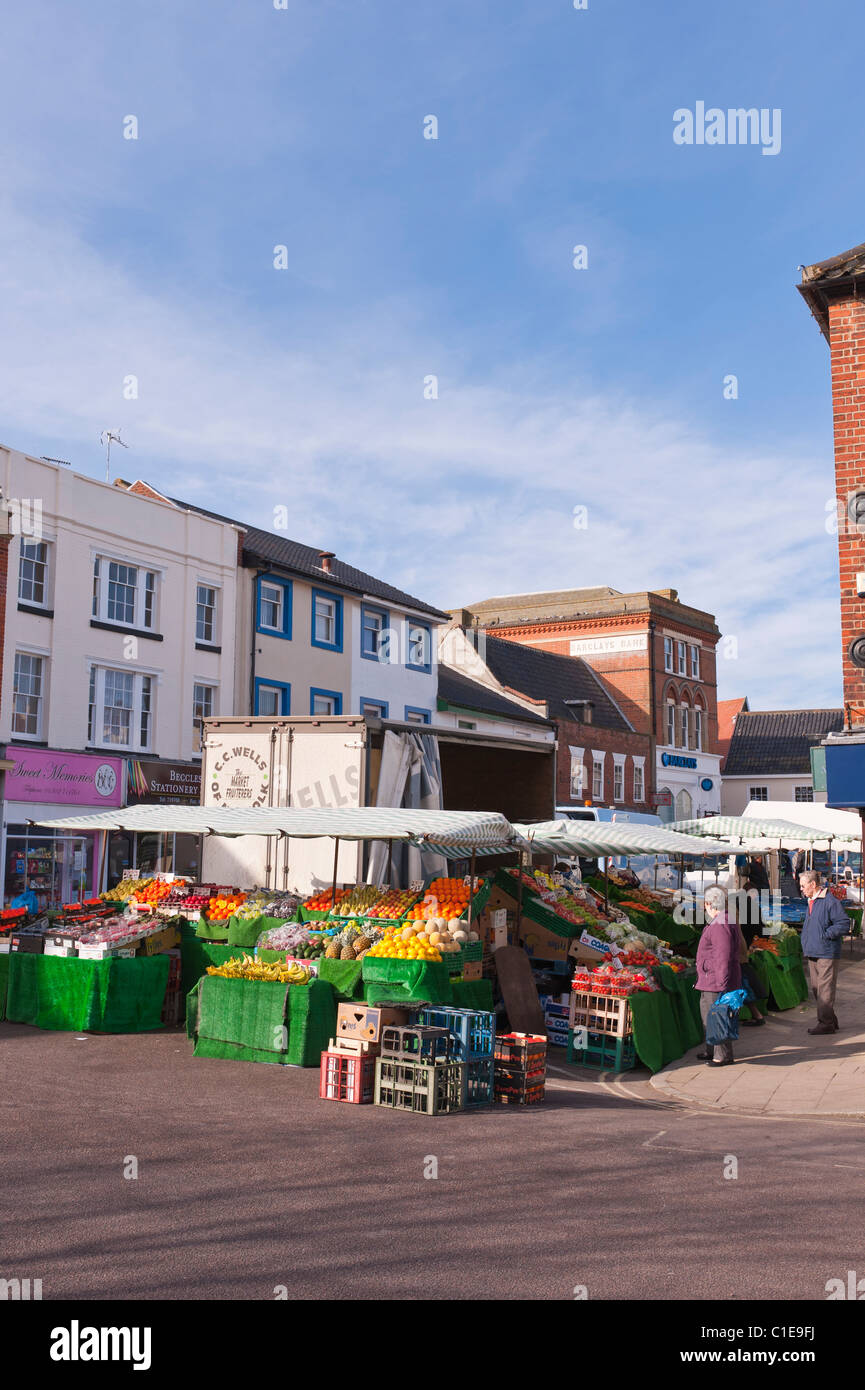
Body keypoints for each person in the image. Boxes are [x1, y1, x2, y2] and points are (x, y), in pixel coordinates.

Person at [695, 885, 743, 1066]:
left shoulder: (720, 924)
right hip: (710, 979)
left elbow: (722, 956)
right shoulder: (723, 920)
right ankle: (711, 1050)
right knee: (709, 1016)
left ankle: (721, 1055)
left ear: (708, 904)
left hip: (715, 981)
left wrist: (722, 984)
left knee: (717, 1017)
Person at [799, 869, 850, 1035]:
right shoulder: (812, 900)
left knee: (824, 990)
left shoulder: (829, 901)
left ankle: (826, 1023)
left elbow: (843, 923)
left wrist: (825, 935)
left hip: (826, 952)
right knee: (816, 988)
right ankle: (831, 1019)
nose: (801, 889)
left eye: (803, 886)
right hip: (813, 950)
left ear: (813, 885)